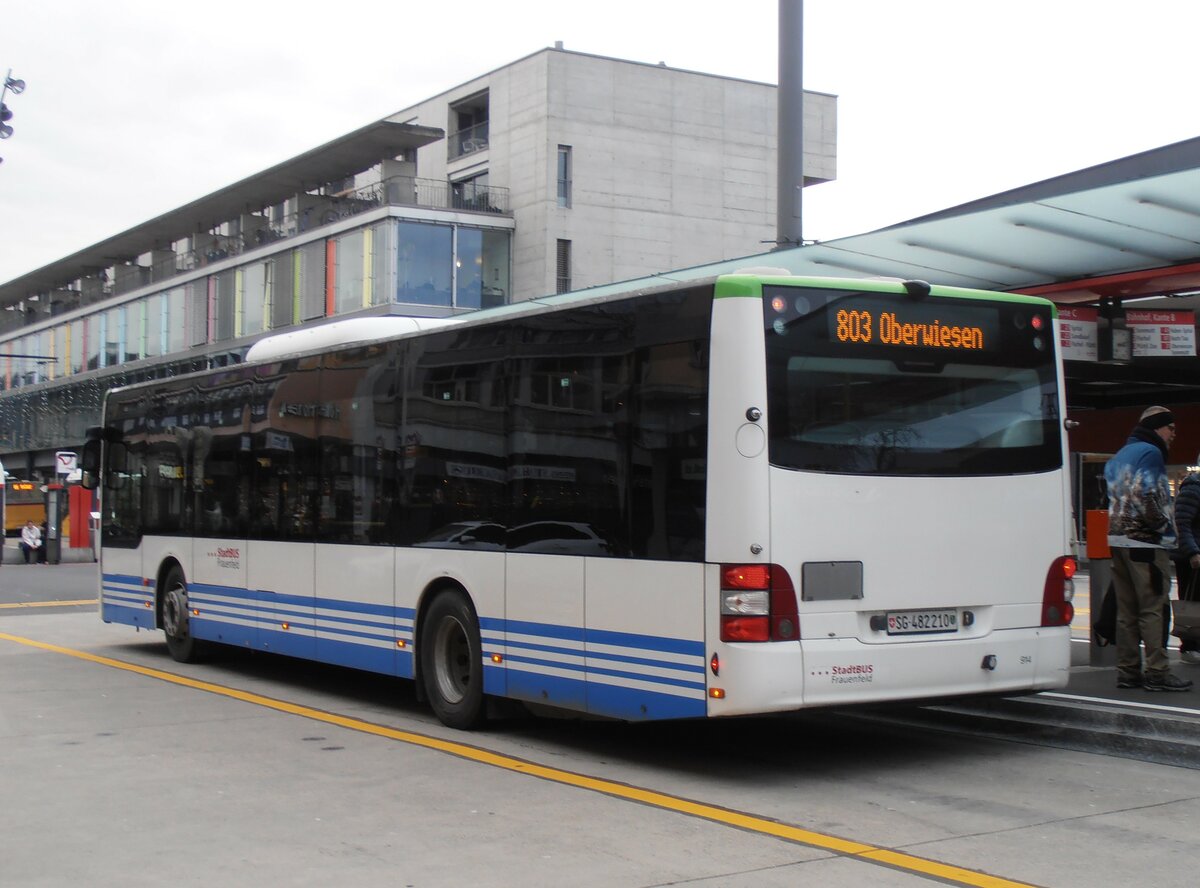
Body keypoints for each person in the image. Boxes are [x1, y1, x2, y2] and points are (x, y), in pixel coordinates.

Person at [1104, 406, 1192, 691]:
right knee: (1153, 607)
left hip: (1117, 540)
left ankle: (1128, 672)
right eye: (1171, 429)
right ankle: (1158, 672)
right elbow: (1146, 494)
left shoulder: (1121, 454)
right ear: (1157, 427)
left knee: (1126, 610)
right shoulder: (1151, 453)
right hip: (1145, 542)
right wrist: (1162, 525)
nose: (1174, 435)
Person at [1172, 454, 1200, 665]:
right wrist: (1192, 552)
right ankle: (1190, 646)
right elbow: (1182, 523)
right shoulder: (1193, 488)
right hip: (1192, 558)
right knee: (1192, 602)